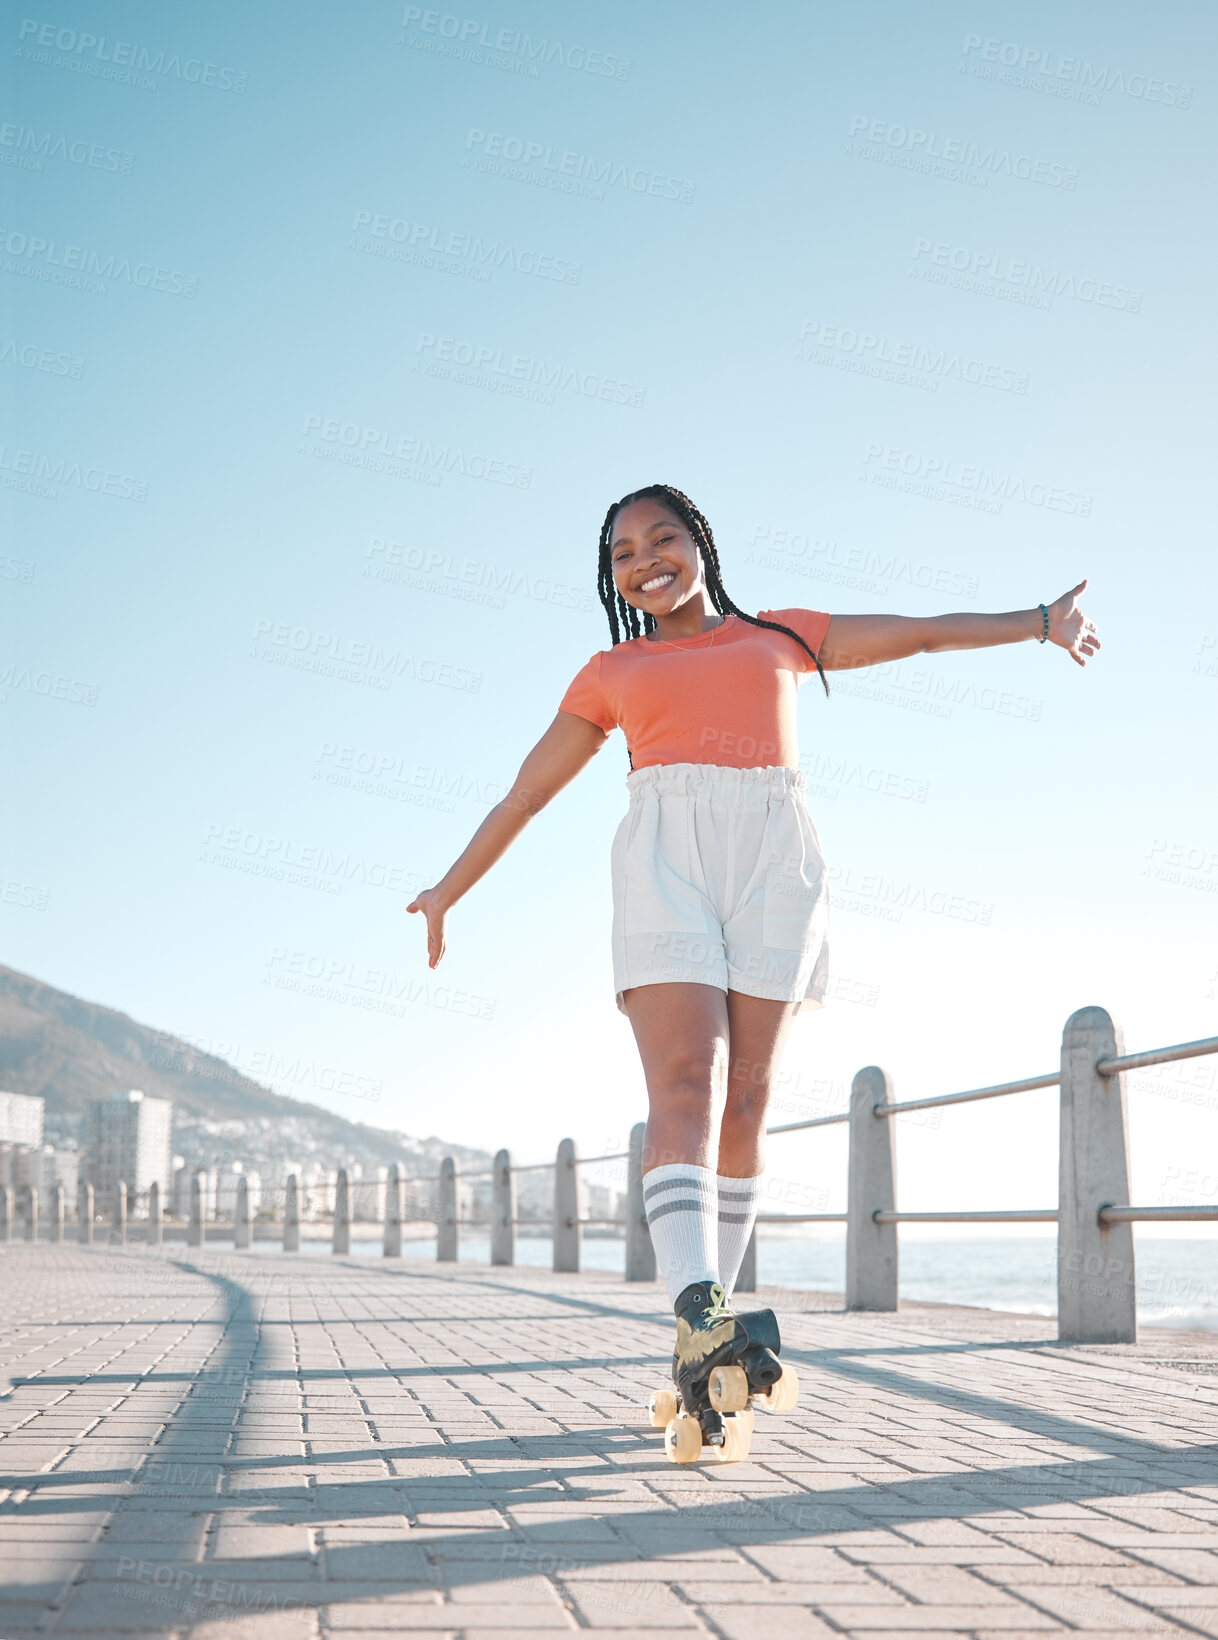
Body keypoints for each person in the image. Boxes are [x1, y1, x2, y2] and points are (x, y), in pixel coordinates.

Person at [407, 481, 1100, 1456]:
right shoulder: (610, 670)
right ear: (611, 577)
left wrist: (1036, 623)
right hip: (666, 863)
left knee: (747, 1104)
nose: (646, 558)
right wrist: (446, 890)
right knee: (687, 1084)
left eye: (664, 536)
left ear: (701, 542)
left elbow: (921, 633)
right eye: (623, 552)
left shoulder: (783, 635)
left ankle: (702, 1345)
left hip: (777, 863)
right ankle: (702, 1313)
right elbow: (525, 795)